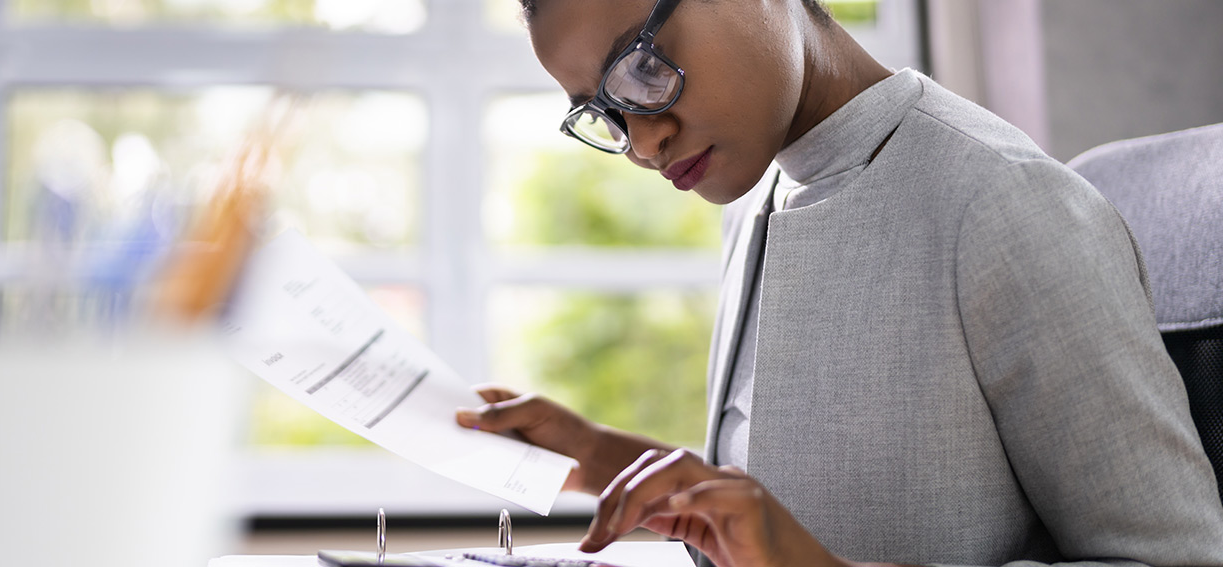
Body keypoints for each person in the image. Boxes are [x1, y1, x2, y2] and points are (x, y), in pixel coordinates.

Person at [454, 1, 1223, 566]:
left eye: (645, 67)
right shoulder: (756, 196)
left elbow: (1178, 560)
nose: (644, 142)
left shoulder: (1003, 203)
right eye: (603, 114)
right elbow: (791, 502)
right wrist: (595, 453)